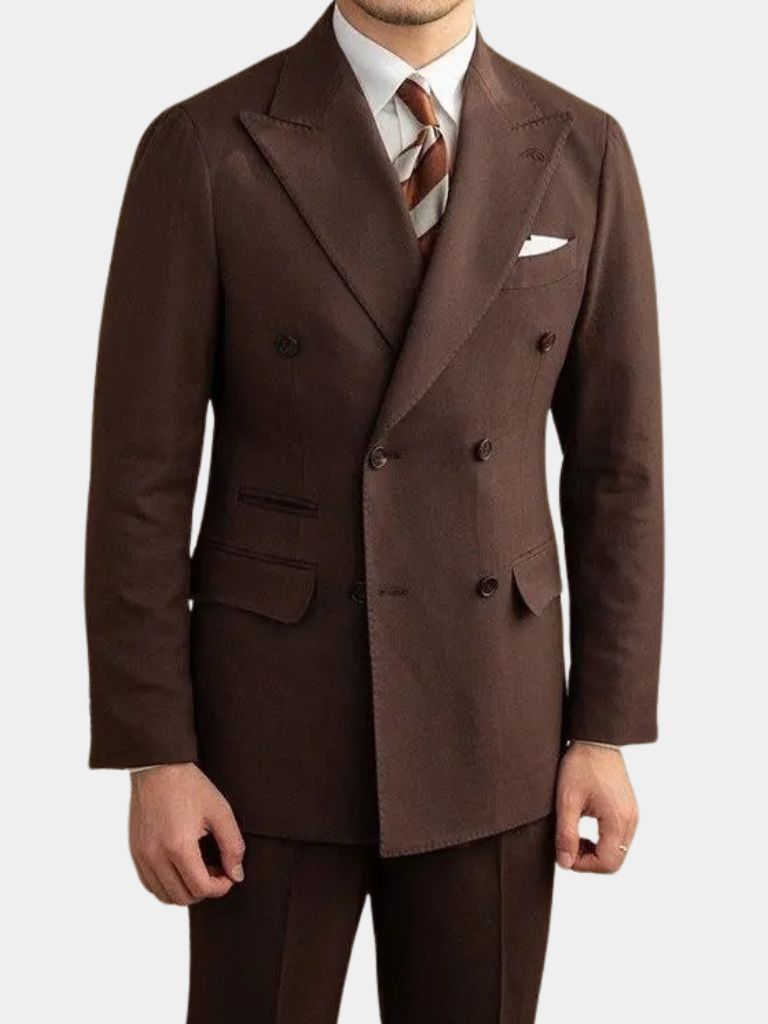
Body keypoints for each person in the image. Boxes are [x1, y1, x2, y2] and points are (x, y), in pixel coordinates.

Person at [86, 1, 663, 1020]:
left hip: (496, 720)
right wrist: (156, 751)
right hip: (267, 731)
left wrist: (606, 728)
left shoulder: (586, 148)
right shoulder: (206, 144)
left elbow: (620, 471)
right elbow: (140, 480)